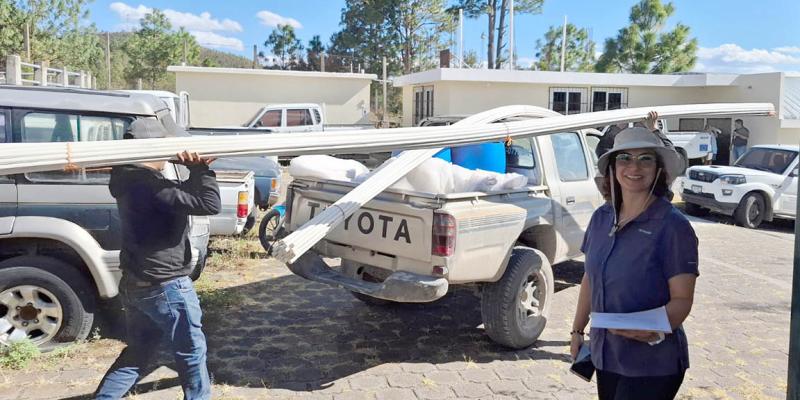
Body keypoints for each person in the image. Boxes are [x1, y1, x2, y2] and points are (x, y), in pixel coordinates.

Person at [570, 126, 699, 400]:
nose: (634, 167)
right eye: (625, 158)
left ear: (659, 169)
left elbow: (682, 300)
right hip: (607, 354)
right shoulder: (600, 218)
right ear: (613, 168)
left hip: (652, 363)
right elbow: (590, 279)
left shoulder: (673, 227)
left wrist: (653, 329)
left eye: (645, 159)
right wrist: (577, 330)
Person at [95, 119, 220, 400]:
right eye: (166, 147)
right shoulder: (151, 186)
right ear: (151, 148)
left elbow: (182, 196)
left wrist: (195, 171)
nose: (169, 154)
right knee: (191, 352)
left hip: (137, 282)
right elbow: (209, 204)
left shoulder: (127, 179)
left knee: (139, 351)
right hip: (165, 286)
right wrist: (201, 169)